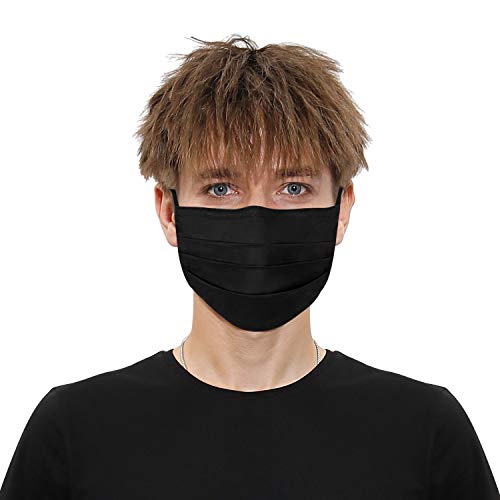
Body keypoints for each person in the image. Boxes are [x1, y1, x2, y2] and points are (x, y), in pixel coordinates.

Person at [1, 34, 498, 500]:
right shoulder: (75, 433)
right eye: (221, 188)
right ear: (169, 212)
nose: (257, 220)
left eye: (293, 188)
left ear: (342, 209)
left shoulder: (424, 432)